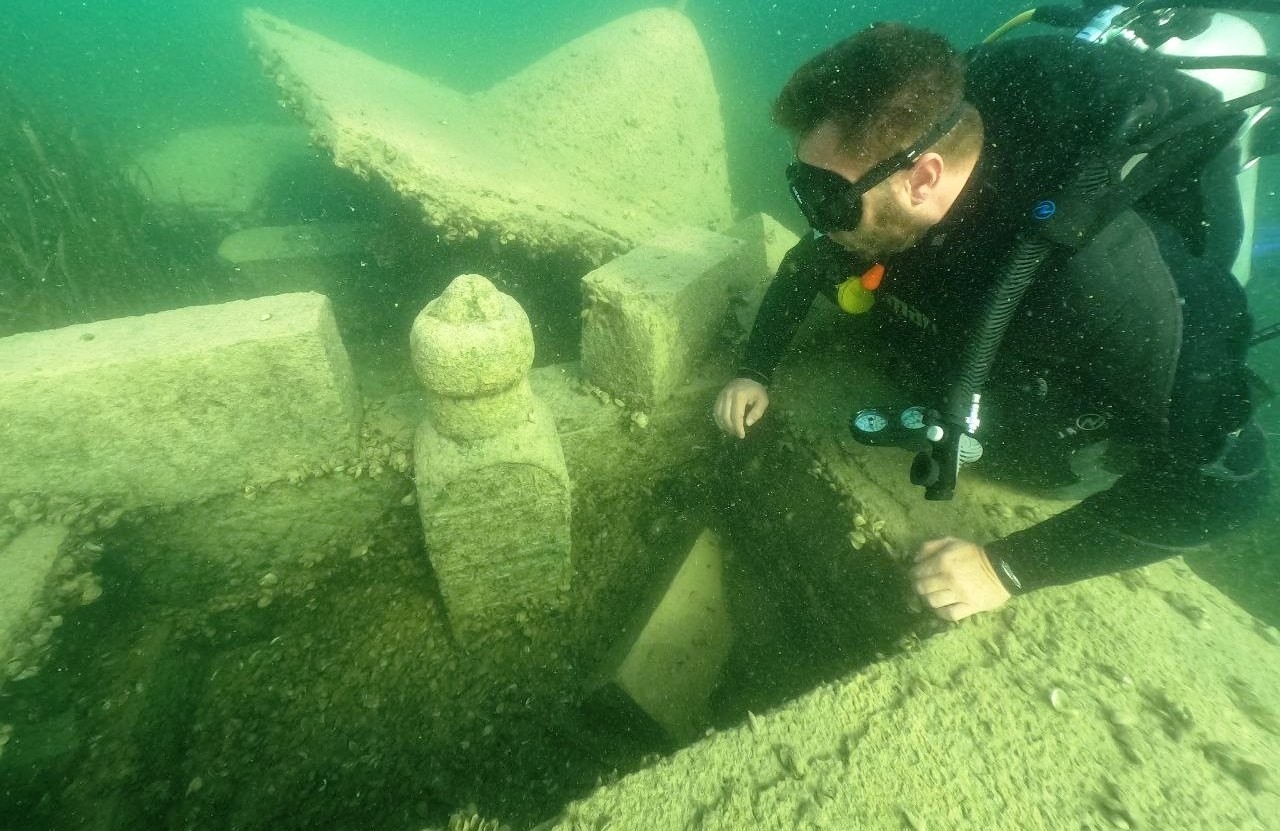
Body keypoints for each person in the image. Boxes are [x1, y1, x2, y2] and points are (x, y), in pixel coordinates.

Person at [713, 21, 1270, 622]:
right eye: (805, 187)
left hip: (1085, 387)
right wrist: (756, 368)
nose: (818, 220)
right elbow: (811, 261)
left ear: (924, 177)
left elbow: (1227, 490)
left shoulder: (1105, 280)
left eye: (829, 197)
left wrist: (1004, 569)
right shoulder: (889, 192)